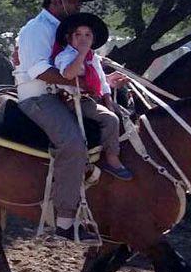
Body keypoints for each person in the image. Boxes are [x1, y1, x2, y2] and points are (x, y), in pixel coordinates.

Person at [14, 0, 103, 243]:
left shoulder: (68, 29)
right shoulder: (35, 29)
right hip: (38, 97)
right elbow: (39, 70)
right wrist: (78, 81)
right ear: (57, 0)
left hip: (63, 96)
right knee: (73, 143)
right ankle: (64, 223)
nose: (78, 5)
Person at [52, 12, 132, 181]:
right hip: (73, 100)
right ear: (69, 38)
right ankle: (112, 158)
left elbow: (102, 80)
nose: (83, 39)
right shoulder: (65, 56)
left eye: (87, 35)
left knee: (124, 113)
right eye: (78, 35)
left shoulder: (93, 57)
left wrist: (109, 101)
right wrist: (80, 55)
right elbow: (68, 74)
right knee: (111, 120)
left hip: (92, 99)